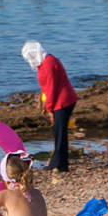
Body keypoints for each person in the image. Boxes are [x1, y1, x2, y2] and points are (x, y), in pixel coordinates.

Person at [22, 41, 76, 171]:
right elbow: (46, 87)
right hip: (59, 101)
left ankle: (58, 163)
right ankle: (61, 163)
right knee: (58, 132)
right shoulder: (45, 62)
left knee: (60, 133)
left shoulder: (49, 63)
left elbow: (52, 89)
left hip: (63, 101)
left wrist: (49, 108)